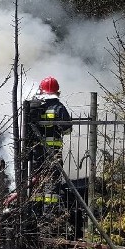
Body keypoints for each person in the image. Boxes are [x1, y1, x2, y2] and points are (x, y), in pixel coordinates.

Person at [28, 76, 72, 214]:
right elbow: (68, 130)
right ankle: (49, 214)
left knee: (36, 182)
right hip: (53, 153)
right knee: (52, 183)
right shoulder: (58, 107)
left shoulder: (34, 107)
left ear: (42, 91)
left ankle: (34, 213)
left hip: (36, 152)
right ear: (56, 91)